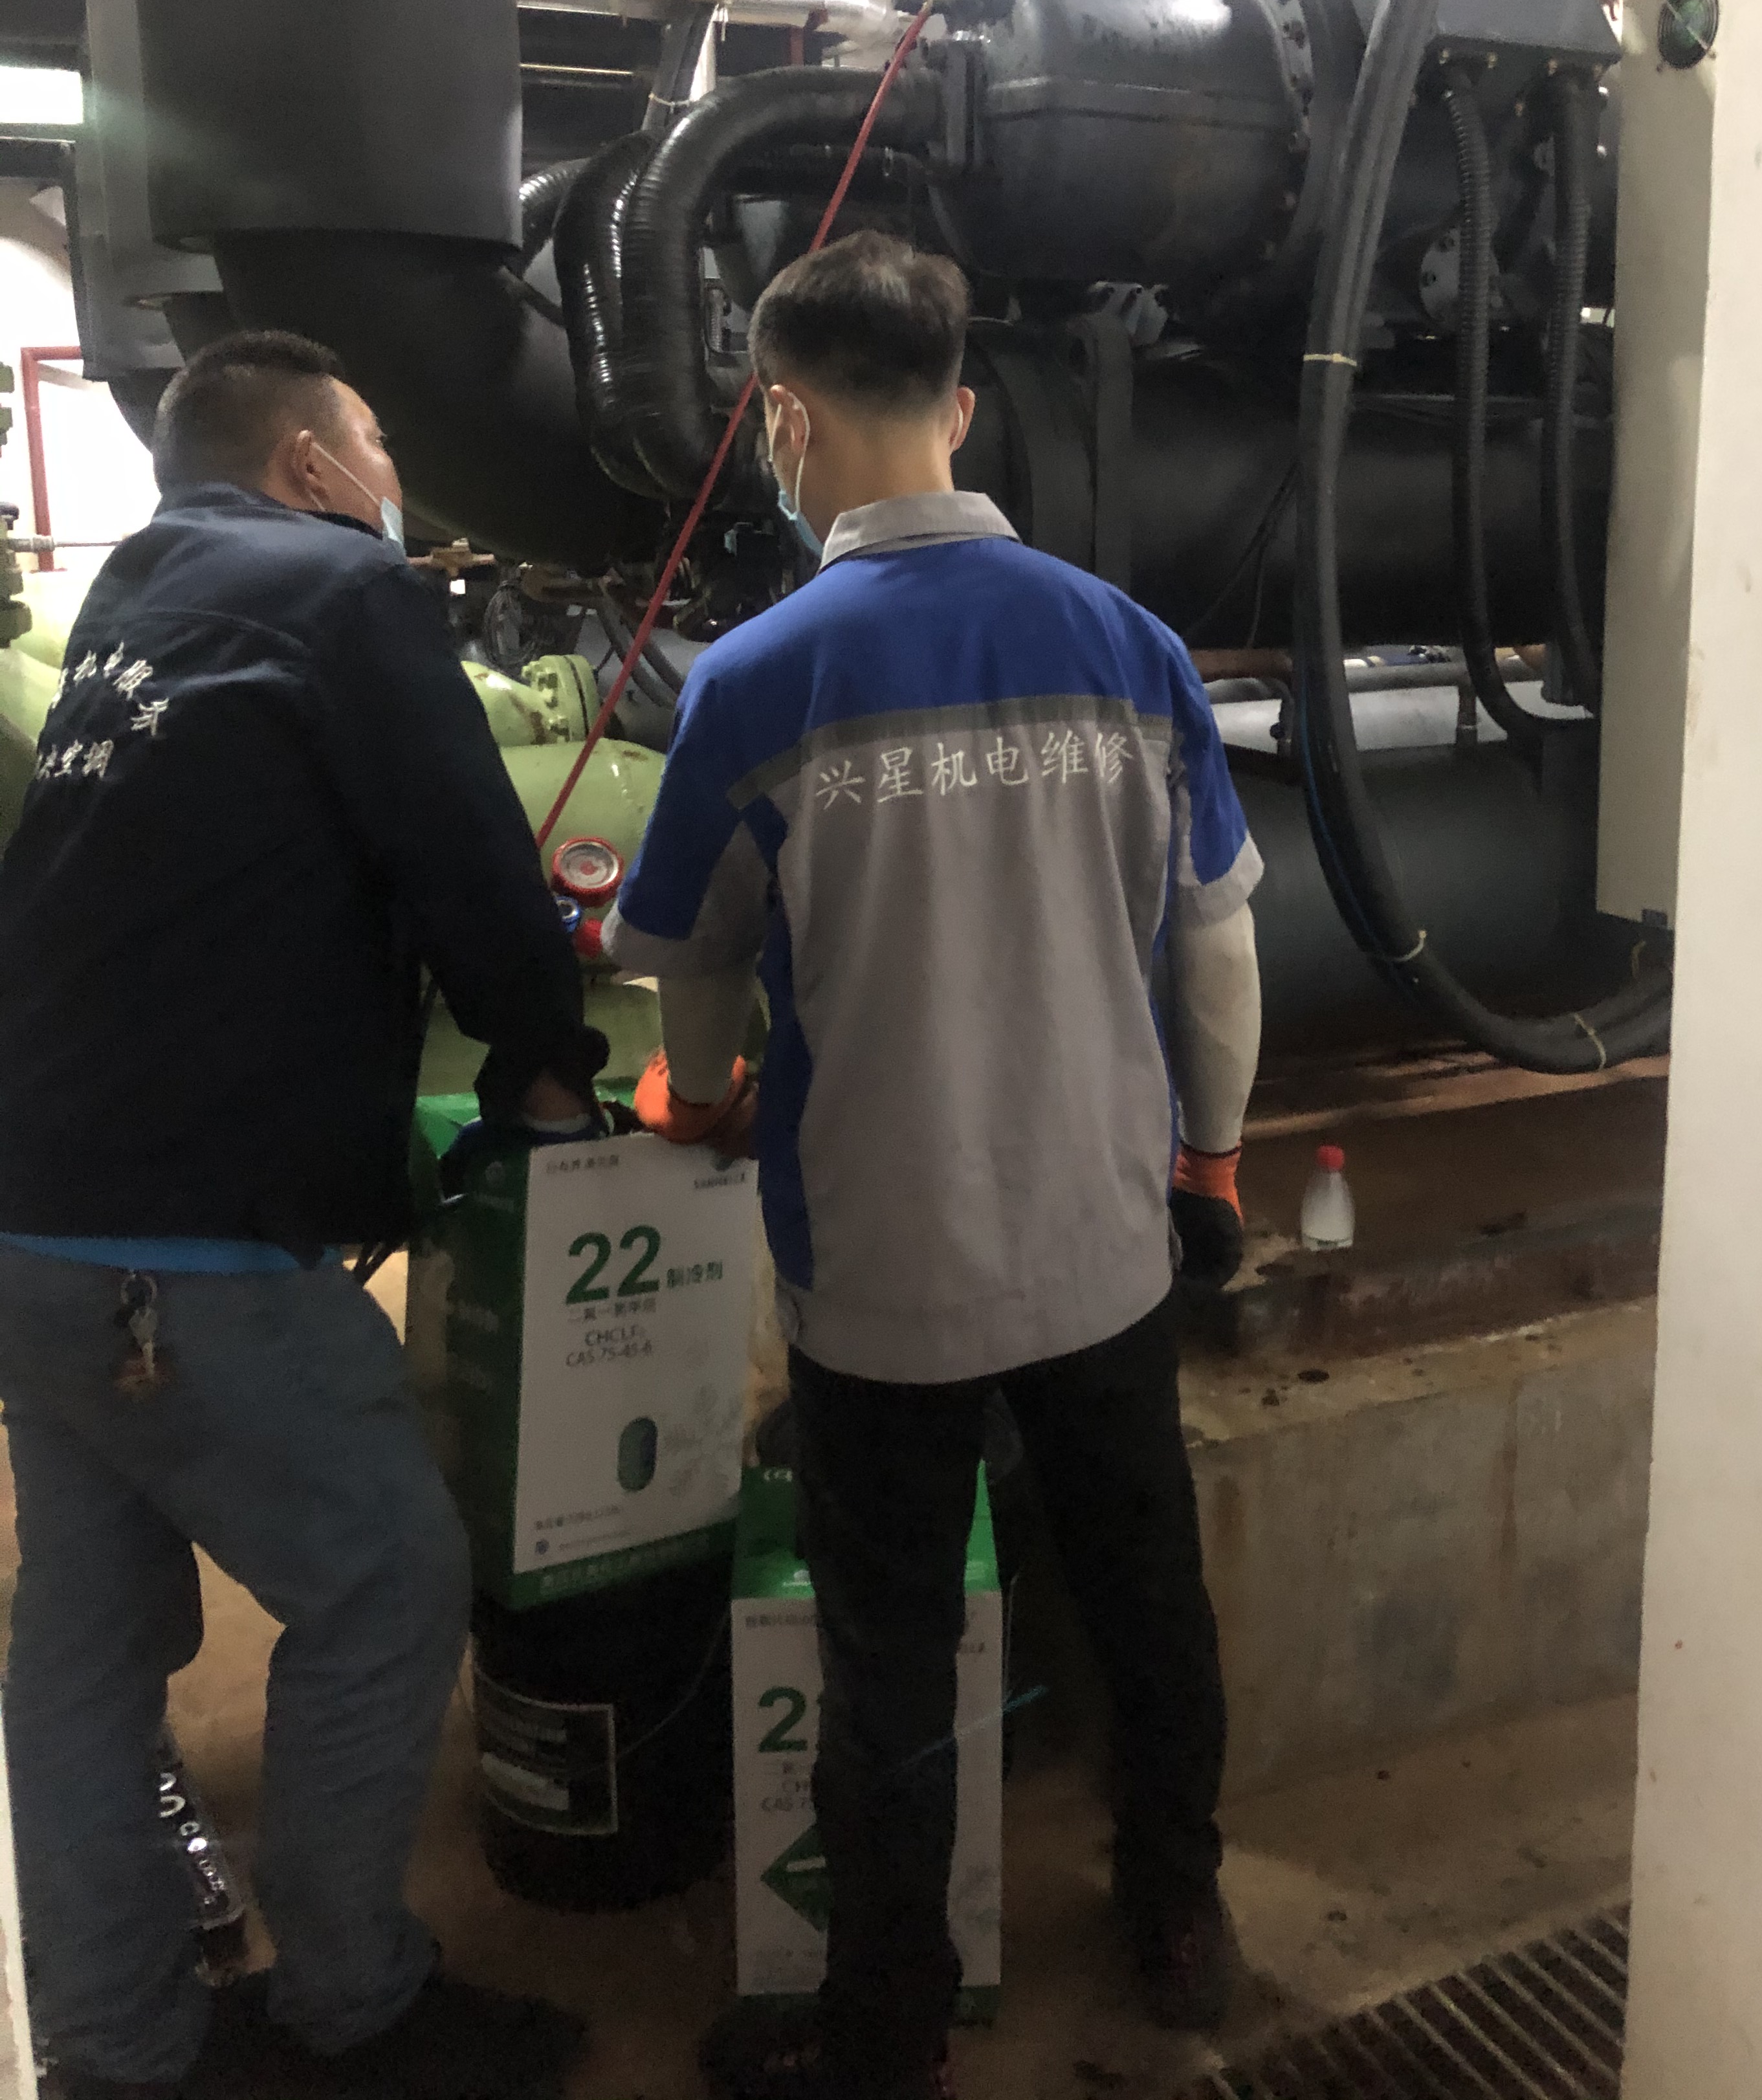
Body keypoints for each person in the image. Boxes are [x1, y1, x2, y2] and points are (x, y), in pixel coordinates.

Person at [606, 233, 1264, 2100]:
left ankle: (885, 2031)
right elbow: (1219, 945)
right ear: (962, 410)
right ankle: (1178, 1919)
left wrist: (703, 1093)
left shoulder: (754, 680)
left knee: (886, 1652)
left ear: (784, 421)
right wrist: (1210, 1165)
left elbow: (691, 966)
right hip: (1105, 1246)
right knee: (1144, 1594)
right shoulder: (1128, 645)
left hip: (880, 1271)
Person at [0, 332, 602, 2100]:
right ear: (312, 464)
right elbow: (472, 860)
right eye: (382, 445)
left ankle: (115, 2049)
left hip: (27, 1216)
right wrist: (546, 1065)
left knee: (87, 1644)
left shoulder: (133, 604)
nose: (395, 480)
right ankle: (357, 2002)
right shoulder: (343, 593)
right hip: (182, 1247)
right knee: (389, 1584)